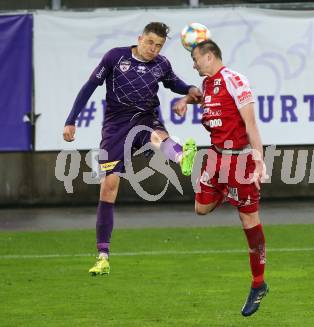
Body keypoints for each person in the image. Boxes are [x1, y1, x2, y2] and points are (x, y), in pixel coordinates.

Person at [63, 22, 201, 276]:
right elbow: (89, 87)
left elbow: (175, 83)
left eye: (158, 45)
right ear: (139, 39)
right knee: (109, 186)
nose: (153, 49)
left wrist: (190, 90)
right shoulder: (115, 57)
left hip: (145, 117)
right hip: (115, 127)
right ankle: (103, 255)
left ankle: (182, 155)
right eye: (150, 42)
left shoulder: (162, 64)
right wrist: (71, 119)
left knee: (157, 135)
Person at [173, 40, 268, 317]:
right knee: (200, 209)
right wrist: (185, 100)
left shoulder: (235, 80)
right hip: (216, 159)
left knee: (249, 220)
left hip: (239, 160)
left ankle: (259, 284)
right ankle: (229, 195)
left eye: (195, 59)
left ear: (209, 56)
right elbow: (203, 98)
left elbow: (250, 124)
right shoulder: (207, 86)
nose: (193, 64)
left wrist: (258, 157)